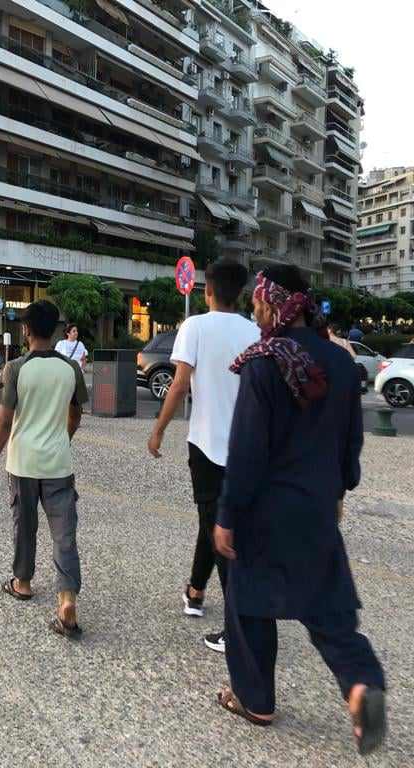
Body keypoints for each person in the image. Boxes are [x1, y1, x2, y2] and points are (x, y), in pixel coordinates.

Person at [214, 266, 386, 755]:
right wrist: (340, 490)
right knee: (328, 608)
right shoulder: (339, 361)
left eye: (257, 302)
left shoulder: (264, 362)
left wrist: (227, 513)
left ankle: (255, 699)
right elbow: (350, 441)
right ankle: (360, 685)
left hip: (264, 509)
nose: (253, 310)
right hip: (316, 505)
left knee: (247, 603)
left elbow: (246, 449)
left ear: (273, 304)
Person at [146, 261, 259, 654]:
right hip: (246, 447)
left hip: (206, 444)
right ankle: (195, 591)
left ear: (207, 290)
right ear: (241, 294)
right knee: (211, 521)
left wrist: (159, 429)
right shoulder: (254, 331)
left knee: (219, 530)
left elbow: (179, 385)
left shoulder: (194, 326)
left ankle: (238, 629)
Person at [0, 300, 89, 640]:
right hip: (58, 463)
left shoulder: (15, 368)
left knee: (24, 525)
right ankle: (67, 598)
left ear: (25, 330)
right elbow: (76, 414)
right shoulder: (70, 369)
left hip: (23, 462)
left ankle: (23, 582)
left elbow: (4, 421)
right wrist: (63, 438)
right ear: (55, 330)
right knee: (64, 533)